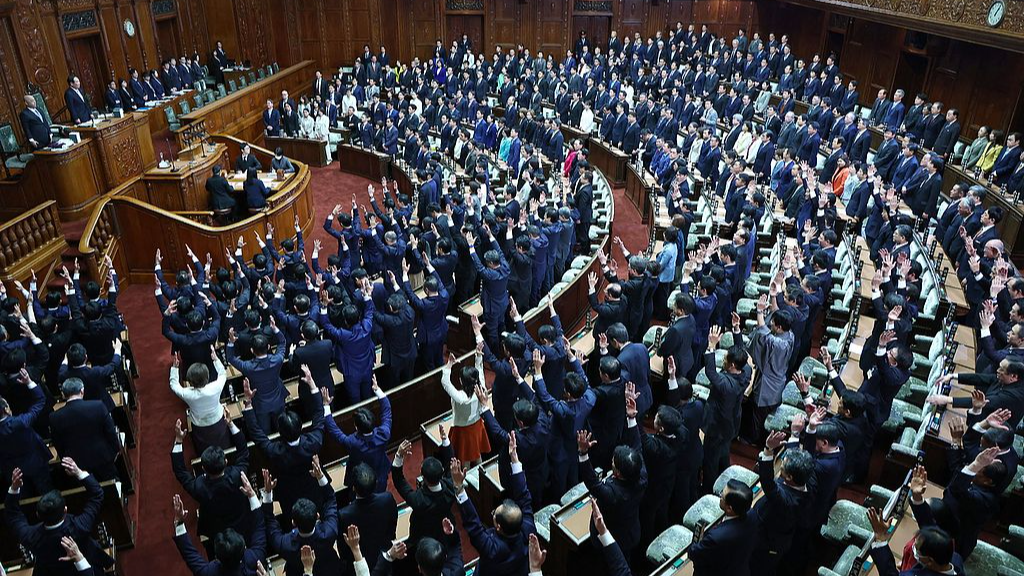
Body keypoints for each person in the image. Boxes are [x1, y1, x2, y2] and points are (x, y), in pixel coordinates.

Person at [5, 459, 115, 575]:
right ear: (65, 510)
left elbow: (13, 515)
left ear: (38, 515)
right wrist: (78, 472)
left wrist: (14, 488)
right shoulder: (79, 526)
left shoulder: (31, 537)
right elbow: (97, 494)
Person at [451, 432, 534, 576]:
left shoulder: (491, 549)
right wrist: (514, 458)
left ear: (498, 526)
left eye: (494, 515)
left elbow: (473, 524)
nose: (493, 513)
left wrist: (459, 487)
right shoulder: (528, 528)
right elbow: (523, 496)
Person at [323, 377, 392, 492]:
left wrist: (326, 405)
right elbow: (387, 411)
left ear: (356, 427)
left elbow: (334, 430)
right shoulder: (384, 433)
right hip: (380, 474)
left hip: (359, 479)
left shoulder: (352, 442)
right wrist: (377, 390)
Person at [49, 378, 120, 482]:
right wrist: (115, 450)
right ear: (82, 391)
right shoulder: (98, 406)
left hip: (77, 464)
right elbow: (110, 432)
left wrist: (68, 464)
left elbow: (58, 444)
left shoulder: (54, 417)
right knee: (111, 483)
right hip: (103, 457)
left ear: (63, 394)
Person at [688, 479, 758, 576]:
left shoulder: (715, 537)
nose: (720, 496)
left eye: (722, 495)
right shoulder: (753, 515)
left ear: (729, 508)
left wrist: (697, 538)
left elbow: (694, 553)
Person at [169, 351, 230, 452]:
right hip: (218, 422)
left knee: (203, 449)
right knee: (224, 446)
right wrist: (215, 359)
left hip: (199, 426)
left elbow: (174, 384)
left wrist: (175, 368)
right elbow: (222, 373)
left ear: (190, 382)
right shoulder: (216, 387)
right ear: (207, 377)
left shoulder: (187, 394)